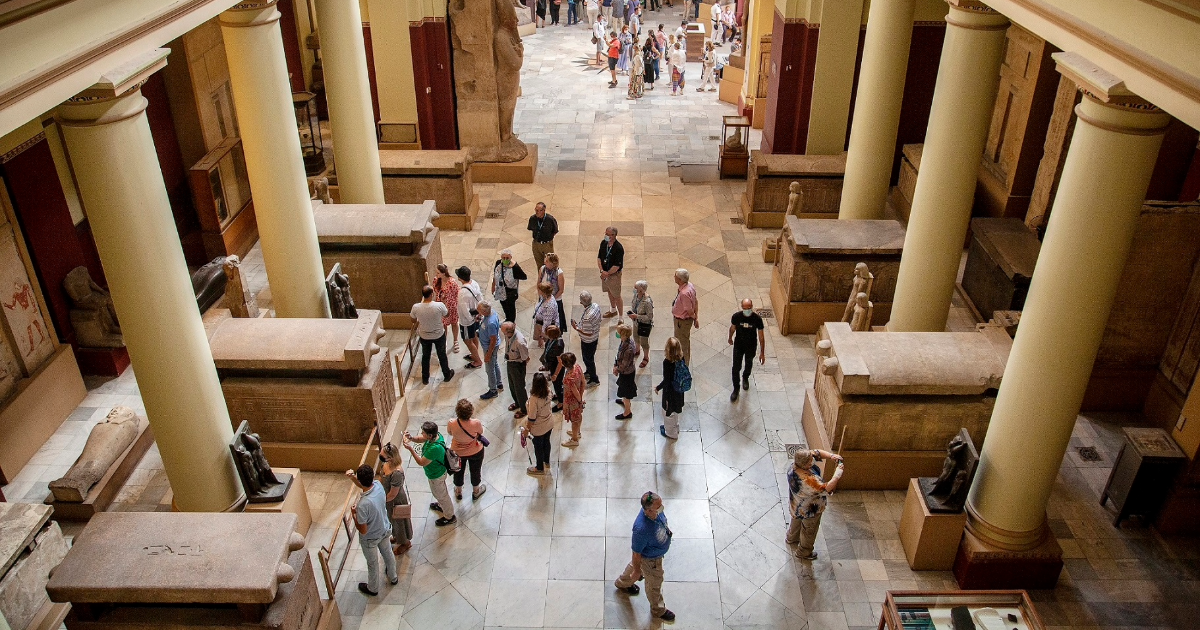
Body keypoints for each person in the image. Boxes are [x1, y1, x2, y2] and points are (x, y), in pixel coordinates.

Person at [614, 491, 676, 622]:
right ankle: (658, 609)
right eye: (658, 506)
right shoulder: (641, 529)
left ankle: (622, 582)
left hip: (650, 556)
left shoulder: (655, 513)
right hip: (651, 560)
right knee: (654, 584)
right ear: (648, 510)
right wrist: (637, 571)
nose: (661, 507)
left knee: (636, 565)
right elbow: (636, 553)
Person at [346, 464, 397, 596]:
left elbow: (363, 530)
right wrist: (353, 478)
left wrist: (354, 514)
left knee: (373, 564)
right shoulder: (378, 485)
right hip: (384, 529)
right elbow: (365, 485)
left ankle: (373, 588)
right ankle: (393, 576)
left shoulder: (363, 505)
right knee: (388, 554)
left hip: (371, 538)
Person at [787, 448, 844, 560]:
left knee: (796, 520)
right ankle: (803, 552)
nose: (812, 461)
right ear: (805, 465)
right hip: (810, 510)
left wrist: (831, 456)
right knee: (809, 530)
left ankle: (791, 538)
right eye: (810, 462)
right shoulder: (807, 481)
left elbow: (816, 452)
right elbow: (826, 488)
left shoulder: (794, 466)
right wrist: (837, 474)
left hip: (797, 505)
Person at [403, 422, 457, 526]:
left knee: (442, 495)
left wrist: (410, 449)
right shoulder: (436, 436)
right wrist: (411, 438)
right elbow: (421, 439)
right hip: (436, 472)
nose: (422, 434)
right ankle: (442, 506)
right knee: (439, 493)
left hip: (436, 475)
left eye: (423, 432)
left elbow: (421, 462)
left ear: (430, 435)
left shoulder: (434, 449)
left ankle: (449, 516)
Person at [412, 285, 455, 385]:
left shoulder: (416, 307)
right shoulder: (439, 306)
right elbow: (447, 314)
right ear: (432, 294)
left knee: (425, 356)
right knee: (442, 355)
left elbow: (413, 319)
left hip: (424, 335)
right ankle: (446, 374)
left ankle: (425, 378)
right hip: (438, 335)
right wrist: (444, 303)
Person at [447, 399, 488, 501]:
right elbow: (480, 432)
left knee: (458, 472)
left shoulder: (452, 423)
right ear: (471, 411)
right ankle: (476, 491)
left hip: (457, 452)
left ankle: (458, 491)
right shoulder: (476, 423)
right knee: (475, 471)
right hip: (475, 451)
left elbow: (450, 433)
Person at [377, 443, 413, 556]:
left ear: (391, 457)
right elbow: (381, 477)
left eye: (383, 455)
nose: (381, 457)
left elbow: (393, 494)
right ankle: (397, 536)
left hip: (396, 500)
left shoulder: (397, 473)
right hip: (387, 499)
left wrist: (381, 500)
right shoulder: (386, 464)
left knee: (399, 521)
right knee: (391, 520)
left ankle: (405, 542)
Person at [728, 298, 765, 402]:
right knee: (736, 367)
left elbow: (761, 336)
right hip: (739, 345)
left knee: (749, 363)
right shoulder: (736, 317)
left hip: (751, 345)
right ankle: (736, 388)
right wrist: (730, 338)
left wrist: (762, 353)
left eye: (749, 308)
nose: (747, 310)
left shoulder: (757, 319)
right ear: (741, 307)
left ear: (752, 307)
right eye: (745, 308)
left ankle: (745, 377)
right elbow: (732, 328)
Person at [524, 372, 555, 474]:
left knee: (538, 447)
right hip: (549, 422)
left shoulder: (534, 399)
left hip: (539, 428)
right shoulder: (549, 391)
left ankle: (539, 467)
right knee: (547, 442)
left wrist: (527, 430)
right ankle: (547, 460)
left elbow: (532, 417)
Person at [655, 337, 686, 439]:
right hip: (679, 391)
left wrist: (658, 388)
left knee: (668, 413)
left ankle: (671, 433)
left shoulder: (667, 363)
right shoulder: (682, 359)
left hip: (670, 393)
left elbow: (667, 380)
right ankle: (675, 426)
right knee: (676, 410)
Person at [573, 291, 603, 387]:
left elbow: (588, 333)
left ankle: (594, 379)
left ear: (582, 302)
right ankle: (589, 372)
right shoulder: (595, 305)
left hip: (588, 341)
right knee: (588, 358)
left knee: (588, 359)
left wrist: (576, 328)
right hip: (595, 337)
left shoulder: (587, 318)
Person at [456, 266, 484, 369]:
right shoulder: (474, 283)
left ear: (460, 278)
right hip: (476, 316)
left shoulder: (462, 293)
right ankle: (475, 354)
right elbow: (480, 298)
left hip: (467, 321)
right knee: (473, 336)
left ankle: (477, 361)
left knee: (467, 340)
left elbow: (464, 310)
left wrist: (470, 320)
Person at [503, 321, 530, 419]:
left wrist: (519, 366)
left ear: (509, 331)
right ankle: (517, 402)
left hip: (517, 364)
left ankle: (524, 409)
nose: (502, 334)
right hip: (510, 361)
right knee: (511, 384)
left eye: (503, 332)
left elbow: (525, 357)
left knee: (519, 387)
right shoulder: (508, 335)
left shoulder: (519, 341)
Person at [671, 268, 699, 365]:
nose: (674, 277)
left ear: (680, 280)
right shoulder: (689, 285)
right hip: (682, 320)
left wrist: (695, 318)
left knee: (682, 343)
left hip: (682, 322)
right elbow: (695, 301)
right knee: (683, 340)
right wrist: (696, 317)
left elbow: (689, 309)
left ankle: (684, 365)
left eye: (676, 276)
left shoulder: (684, 293)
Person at [491, 249, 527, 323]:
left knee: (510, 307)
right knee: (503, 304)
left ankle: (511, 321)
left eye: (507, 258)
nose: (505, 259)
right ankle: (507, 318)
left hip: (510, 291)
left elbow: (524, 276)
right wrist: (493, 286)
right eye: (503, 258)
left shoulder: (515, 267)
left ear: (510, 257)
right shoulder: (498, 263)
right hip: (500, 289)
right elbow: (495, 274)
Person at [431, 264, 461, 353]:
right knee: (443, 324)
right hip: (440, 306)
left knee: (454, 323)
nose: (436, 275)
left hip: (451, 307)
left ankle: (455, 341)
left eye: (438, 273)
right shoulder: (436, 280)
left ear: (444, 273)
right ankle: (444, 341)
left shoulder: (452, 282)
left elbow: (457, 294)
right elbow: (435, 291)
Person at [477, 302, 504, 400]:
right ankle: (499, 383)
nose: (477, 311)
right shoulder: (491, 313)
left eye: (479, 310)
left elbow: (493, 340)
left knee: (489, 369)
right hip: (488, 346)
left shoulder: (491, 323)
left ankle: (493, 390)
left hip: (489, 347)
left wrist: (488, 354)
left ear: (484, 311)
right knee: (494, 363)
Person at [598, 226, 625, 319]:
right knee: (609, 291)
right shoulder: (603, 243)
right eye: (605, 234)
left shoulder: (618, 248)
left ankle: (621, 317)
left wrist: (607, 273)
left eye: (608, 234)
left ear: (613, 235)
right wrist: (602, 270)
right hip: (604, 273)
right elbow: (599, 258)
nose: (606, 236)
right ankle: (613, 310)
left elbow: (617, 266)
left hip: (614, 275)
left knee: (616, 296)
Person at [613, 322, 639, 420]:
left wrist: (617, 369)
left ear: (623, 334)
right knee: (623, 389)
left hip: (627, 374)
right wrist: (615, 364)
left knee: (626, 393)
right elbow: (619, 354)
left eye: (619, 332)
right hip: (624, 372)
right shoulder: (624, 341)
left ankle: (627, 412)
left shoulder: (629, 349)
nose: (617, 334)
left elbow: (624, 364)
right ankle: (624, 400)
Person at [560, 353, 585, 446]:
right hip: (578, 398)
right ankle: (577, 432)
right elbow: (583, 382)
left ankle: (574, 440)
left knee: (574, 420)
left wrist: (579, 401)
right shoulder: (577, 367)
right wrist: (581, 396)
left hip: (572, 401)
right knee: (578, 416)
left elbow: (575, 392)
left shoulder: (568, 378)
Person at [539, 253, 568, 334]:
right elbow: (539, 283)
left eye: (547, 261)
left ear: (552, 263)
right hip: (543, 298)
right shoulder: (542, 269)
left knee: (555, 318)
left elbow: (561, 290)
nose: (545, 262)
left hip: (555, 299)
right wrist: (541, 295)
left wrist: (551, 300)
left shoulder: (559, 273)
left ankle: (556, 333)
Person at [527, 202, 559, 272]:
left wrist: (549, 239)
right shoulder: (532, 218)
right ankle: (541, 279)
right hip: (536, 243)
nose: (537, 212)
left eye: (539, 210)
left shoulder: (550, 219)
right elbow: (530, 228)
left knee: (551, 262)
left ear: (543, 210)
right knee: (539, 264)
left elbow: (555, 230)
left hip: (547, 244)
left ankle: (552, 279)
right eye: (536, 210)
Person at [542, 325, 566, 410]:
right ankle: (559, 394)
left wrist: (555, 374)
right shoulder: (551, 340)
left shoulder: (558, 345)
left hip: (557, 368)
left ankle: (561, 402)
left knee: (557, 384)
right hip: (552, 365)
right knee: (556, 385)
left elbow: (560, 362)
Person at [533, 282, 559, 346]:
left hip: (543, 325)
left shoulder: (549, 306)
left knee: (547, 342)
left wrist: (541, 336)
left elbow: (547, 323)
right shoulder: (547, 297)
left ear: (544, 292)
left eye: (539, 290)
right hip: (540, 322)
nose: (538, 290)